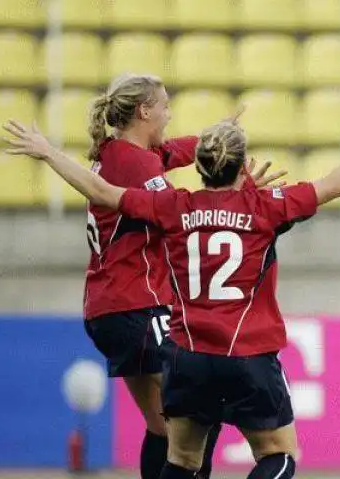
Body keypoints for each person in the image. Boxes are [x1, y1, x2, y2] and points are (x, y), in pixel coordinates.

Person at [3, 102, 340, 478]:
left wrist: (48, 152)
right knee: (280, 456)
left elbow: (101, 190)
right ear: (242, 165)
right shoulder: (264, 207)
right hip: (248, 355)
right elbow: (336, 183)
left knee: (182, 460)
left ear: (200, 166)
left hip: (187, 357)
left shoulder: (173, 206)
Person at [56, 73, 283, 479]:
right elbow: (179, 216)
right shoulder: (137, 162)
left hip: (107, 308)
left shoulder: (117, 152)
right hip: (138, 304)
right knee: (199, 412)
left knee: (163, 427)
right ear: (145, 111)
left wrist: (215, 138)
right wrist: (240, 194)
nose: (169, 114)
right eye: (164, 106)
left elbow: (176, 151)